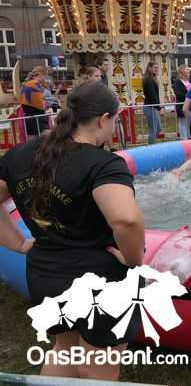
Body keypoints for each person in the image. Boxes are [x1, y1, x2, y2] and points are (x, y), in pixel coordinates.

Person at [0, 81, 145, 381]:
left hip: (45, 273)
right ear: (103, 119)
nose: (113, 128)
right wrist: (134, 261)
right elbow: (127, 220)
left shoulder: (20, 155)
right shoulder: (102, 164)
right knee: (98, 363)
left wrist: (18, 245)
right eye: (115, 121)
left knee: (64, 349)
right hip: (101, 279)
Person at [19, 66, 51, 140]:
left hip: (29, 117)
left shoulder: (27, 84)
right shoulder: (35, 84)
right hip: (37, 116)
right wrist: (44, 111)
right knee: (47, 136)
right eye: (45, 77)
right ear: (41, 75)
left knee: (32, 140)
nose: (45, 80)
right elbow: (39, 103)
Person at [141, 61, 162, 145]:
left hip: (153, 106)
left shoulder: (152, 79)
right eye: (155, 67)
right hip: (150, 106)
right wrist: (159, 108)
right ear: (150, 68)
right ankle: (152, 146)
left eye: (157, 68)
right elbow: (152, 95)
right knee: (153, 130)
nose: (157, 69)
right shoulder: (149, 80)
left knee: (158, 128)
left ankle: (152, 143)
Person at [173, 64, 191, 140]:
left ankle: (189, 138)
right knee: (183, 122)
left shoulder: (189, 81)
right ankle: (184, 139)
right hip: (182, 105)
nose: (189, 71)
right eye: (187, 69)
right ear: (182, 71)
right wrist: (189, 95)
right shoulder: (178, 82)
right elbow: (178, 94)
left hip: (190, 105)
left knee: (189, 122)